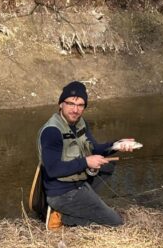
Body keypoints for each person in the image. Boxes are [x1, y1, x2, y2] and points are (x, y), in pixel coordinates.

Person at [37, 81, 134, 228]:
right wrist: (86, 162)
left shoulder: (80, 123)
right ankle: (63, 217)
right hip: (61, 193)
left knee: (108, 166)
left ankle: (86, 200)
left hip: (78, 182)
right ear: (60, 104)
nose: (75, 110)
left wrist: (117, 145)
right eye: (70, 103)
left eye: (80, 105)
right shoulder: (52, 131)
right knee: (116, 222)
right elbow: (53, 170)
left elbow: (95, 149)